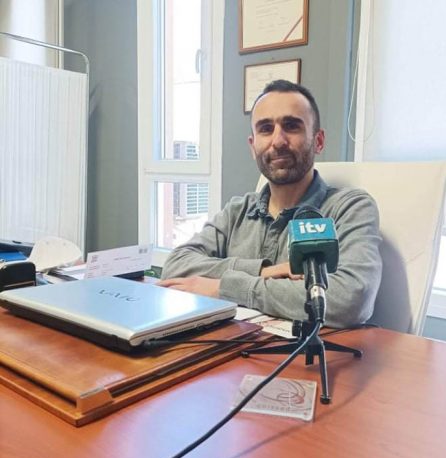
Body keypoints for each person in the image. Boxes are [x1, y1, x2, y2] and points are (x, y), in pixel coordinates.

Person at [159, 80, 382, 328]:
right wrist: (263, 271)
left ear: (318, 141)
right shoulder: (237, 211)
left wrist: (225, 287)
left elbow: (351, 299)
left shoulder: (349, 208)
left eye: (291, 126)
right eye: (266, 129)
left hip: (312, 351)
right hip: (234, 347)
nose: (278, 141)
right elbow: (176, 266)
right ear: (253, 146)